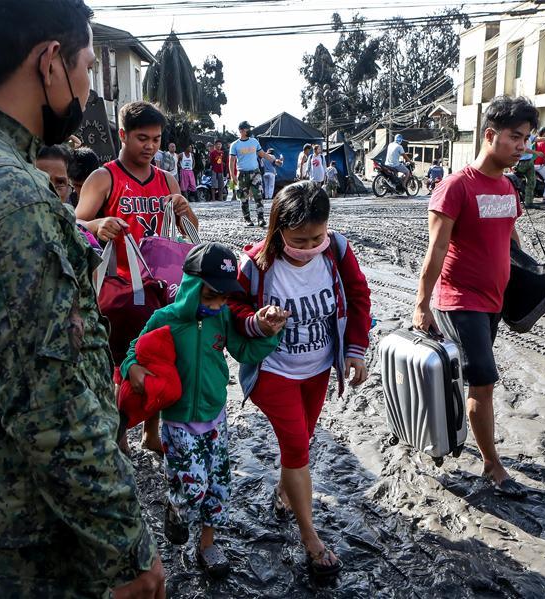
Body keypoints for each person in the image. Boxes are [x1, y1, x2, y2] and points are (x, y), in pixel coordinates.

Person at [0, 1, 165, 596]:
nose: (86, 89)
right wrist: (127, 547)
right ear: (51, 62)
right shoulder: (11, 194)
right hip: (40, 520)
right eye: (87, 68)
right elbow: (50, 404)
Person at [228, 181, 372, 581]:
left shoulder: (338, 252)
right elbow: (232, 308)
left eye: (316, 238)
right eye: (298, 240)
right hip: (273, 373)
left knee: (301, 444)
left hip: (318, 370)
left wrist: (355, 350)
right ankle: (311, 539)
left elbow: (359, 297)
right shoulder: (256, 264)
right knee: (296, 448)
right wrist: (257, 322)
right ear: (277, 230)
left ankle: (283, 493)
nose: (309, 247)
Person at [121, 242, 286, 577]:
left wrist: (269, 334)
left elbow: (244, 351)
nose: (218, 304)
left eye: (224, 297)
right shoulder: (164, 319)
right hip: (179, 423)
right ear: (192, 286)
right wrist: (132, 369)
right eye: (211, 296)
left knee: (218, 485)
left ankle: (208, 544)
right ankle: (177, 506)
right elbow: (132, 351)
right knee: (192, 486)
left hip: (216, 418)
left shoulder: (222, 317)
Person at [413, 95, 535, 499]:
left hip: (493, 302)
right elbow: (436, 251)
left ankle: (457, 431)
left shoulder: (507, 187)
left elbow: (511, 241)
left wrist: (529, 277)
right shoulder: (455, 187)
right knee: (483, 381)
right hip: (460, 300)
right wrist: (421, 303)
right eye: (515, 137)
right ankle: (492, 465)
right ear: (489, 135)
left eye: (526, 138)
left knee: (472, 379)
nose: (522, 146)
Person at [76, 100, 198, 454]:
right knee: (122, 365)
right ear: (123, 135)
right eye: (142, 138)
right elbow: (73, 223)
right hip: (119, 291)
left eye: (157, 139)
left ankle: (150, 431)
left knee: (160, 361)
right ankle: (120, 434)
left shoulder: (167, 179)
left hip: (159, 289)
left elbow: (186, 233)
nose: (150, 146)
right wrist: (97, 224)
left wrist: (186, 212)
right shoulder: (104, 177)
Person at [229, 120, 277, 227]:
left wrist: (274, 161)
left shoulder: (254, 141)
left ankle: (261, 219)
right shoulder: (235, 145)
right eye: (247, 128)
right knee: (243, 198)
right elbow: (231, 161)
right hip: (242, 174)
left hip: (255, 173)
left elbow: (263, 154)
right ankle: (248, 219)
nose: (249, 130)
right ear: (241, 130)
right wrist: (232, 175)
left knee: (258, 196)